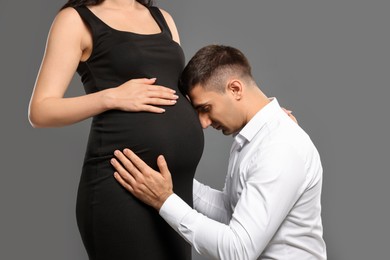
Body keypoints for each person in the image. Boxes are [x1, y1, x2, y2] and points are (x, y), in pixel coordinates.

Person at [111, 45, 327, 260]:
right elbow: (230, 210)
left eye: (206, 108)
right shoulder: (252, 139)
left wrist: (164, 201)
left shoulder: (280, 146)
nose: (204, 123)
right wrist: (170, 180)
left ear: (235, 89)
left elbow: (238, 250)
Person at [28, 0, 204, 259]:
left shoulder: (162, 18)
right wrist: (112, 97)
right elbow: (40, 111)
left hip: (171, 188)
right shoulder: (75, 20)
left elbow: (181, 93)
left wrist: (258, 113)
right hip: (121, 185)